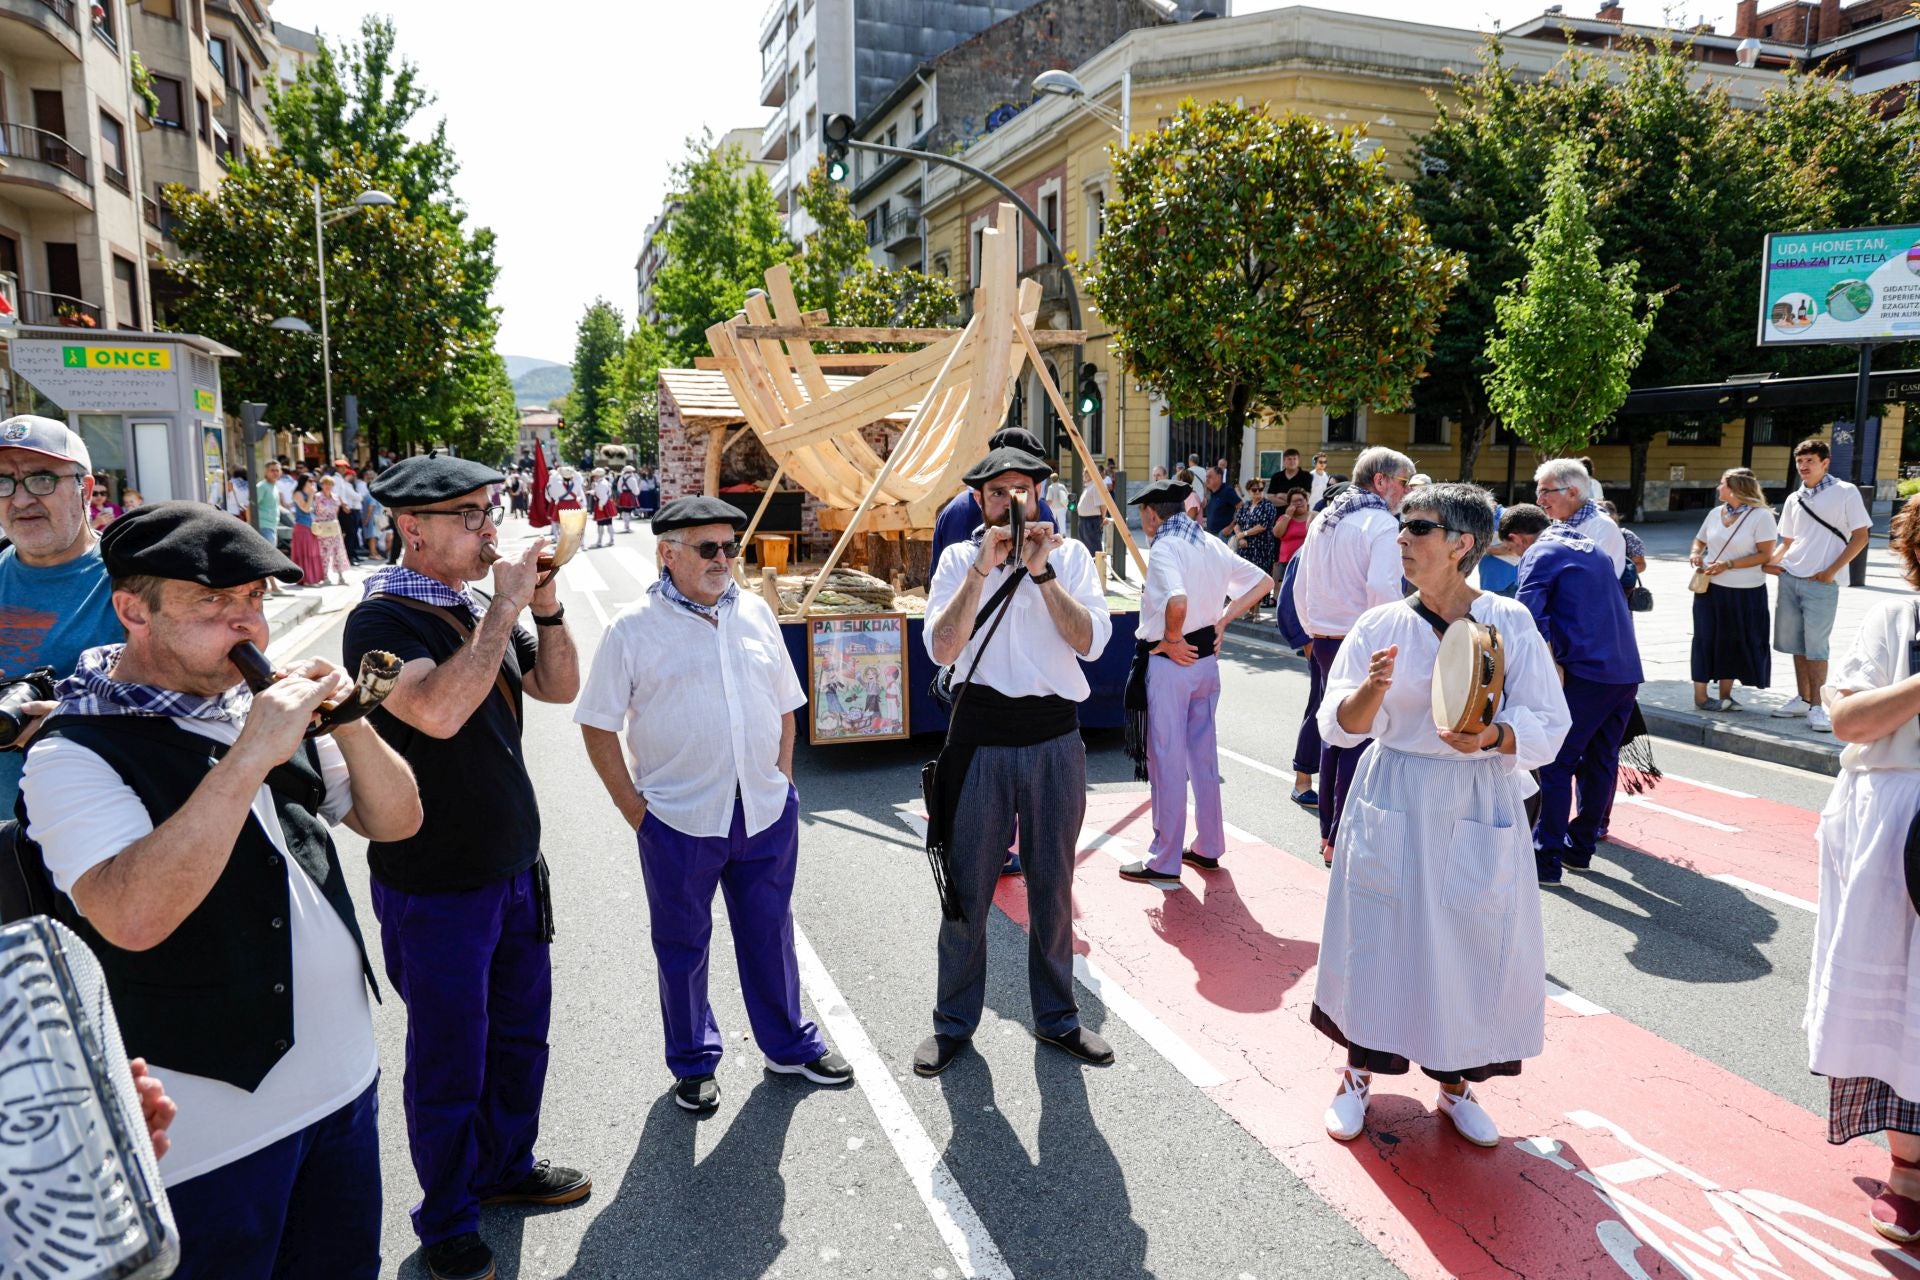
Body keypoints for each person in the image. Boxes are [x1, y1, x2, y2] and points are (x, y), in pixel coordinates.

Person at [19, 502, 423, 1279]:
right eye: (212, 602)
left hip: (342, 1089)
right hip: (207, 1137)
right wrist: (247, 758)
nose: (245, 625)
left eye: (253, 601)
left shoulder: (262, 708)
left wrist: (349, 720)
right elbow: (131, 916)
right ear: (134, 610)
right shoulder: (73, 752)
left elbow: (397, 821)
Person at [346, 455, 589, 1280]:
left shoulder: (476, 603)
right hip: (436, 882)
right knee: (451, 1058)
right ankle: (447, 1218)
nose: (492, 528)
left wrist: (544, 607)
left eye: (492, 510)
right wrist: (507, 608)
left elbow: (558, 687)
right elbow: (438, 714)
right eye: (471, 516)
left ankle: (505, 1168)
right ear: (413, 528)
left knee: (520, 1039)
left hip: (513, 866)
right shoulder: (378, 623)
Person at [576, 495, 854, 1114]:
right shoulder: (632, 629)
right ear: (667, 554)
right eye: (708, 548)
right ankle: (694, 1062)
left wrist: (782, 781)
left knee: (771, 933)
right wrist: (636, 813)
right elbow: (596, 725)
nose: (724, 559)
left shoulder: (754, 612)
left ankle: (788, 1044)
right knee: (681, 945)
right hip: (677, 818)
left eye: (732, 547)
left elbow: (786, 704)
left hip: (762, 811)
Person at [1313, 483, 1570, 1146]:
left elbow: (1549, 720)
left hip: (1478, 795)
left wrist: (1492, 737)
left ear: (1461, 545)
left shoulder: (1508, 621)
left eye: (1418, 528)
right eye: (1402, 525)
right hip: (1395, 789)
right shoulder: (1381, 624)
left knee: (1468, 945)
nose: (1402, 538)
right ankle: (1357, 1077)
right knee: (1377, 937)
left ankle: (1455, 1086)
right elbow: (1336, 727)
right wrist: (1370, 690)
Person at [917, 445, 1115, 1078]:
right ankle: (953, 1022)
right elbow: (941, 647)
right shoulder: (957, 559)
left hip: (1055, 737)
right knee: (968, 890)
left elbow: (1090, 643)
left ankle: (1058, 1019)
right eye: (997, 493)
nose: (1011, 504)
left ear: (1042, 495)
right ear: (979, 501)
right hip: (979, 737)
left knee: (1053, 887)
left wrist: (1043, 575)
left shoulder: (1073, 558)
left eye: (1022, 491)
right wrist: (982, 569)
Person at [1808, 492, 1920, 1245]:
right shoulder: (1894, 621)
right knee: (1896, 993)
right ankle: (1908, 1169)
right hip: (1892, 826)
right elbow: (1845, 719)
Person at [1119, 479, 1271, 885]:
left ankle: (1164, 858)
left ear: (1153, 514)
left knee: (1166, 760)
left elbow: (1178, 600)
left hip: (1174, 663)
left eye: (1144, 512)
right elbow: (1263, 582)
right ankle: (1208, 845)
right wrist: (1223, 620)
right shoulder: (1210, 543)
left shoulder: (1166, 546)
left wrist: (1169, 639)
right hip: (1205, 662)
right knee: (1202, 759)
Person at [1505, 503, 1644, 884]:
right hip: (1624, 669)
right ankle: (1579, 848)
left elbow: (1526, 617)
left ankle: (1545, 858)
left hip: (1584, 671)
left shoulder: (1540, 552)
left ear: (1519, 538)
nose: (1519, 555)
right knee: (1601, 759)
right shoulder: (1591, 548)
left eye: (1515, 548)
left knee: (1555, 762)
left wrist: (1546, 666)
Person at [1290, 446, 1415, 862]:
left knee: (1334, 734)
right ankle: (1343, 837)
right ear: (1380, 480)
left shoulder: (1326, 516)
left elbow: (1299, 582)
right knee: (1361, 738)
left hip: (1326, 638)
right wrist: (1391, 639)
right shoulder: (1380, 522)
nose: (1406, 490)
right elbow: (1383, 589)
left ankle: (1329, 833)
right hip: (1362, 639)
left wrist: (1312, 630)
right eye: (1402, 482)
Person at [0, 417, 121, 814]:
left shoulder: (135, 585)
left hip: (94, 833)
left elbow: (198, 706)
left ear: (84, 489)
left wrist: (78, 720)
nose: (19, 500)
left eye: (41, 479)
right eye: (3, 481)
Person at [1767, 438, 1872, 734]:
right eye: (1800, 461)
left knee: (1816, 647)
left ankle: (1818, 707)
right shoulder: (1794, 498)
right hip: (1790, 578)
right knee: (1795, 645)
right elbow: (1787, 541)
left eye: (1810, 461)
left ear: (1825, 463)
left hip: (1821, 583)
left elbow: (1861, 536)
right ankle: (1803, 698)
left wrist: (1831, 572)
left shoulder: (1845, 492)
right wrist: (1772, 563)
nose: (1803, 466)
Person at [1689, 468, 1777, 712]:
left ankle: (1725, 696)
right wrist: (1696, 553)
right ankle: (1701, 697)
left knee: (1733, 641)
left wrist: (1728, 564)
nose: (1718, 488)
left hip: (1745, 591)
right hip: (1710, 588)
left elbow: (1765, 554)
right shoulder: (1716, 513)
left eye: (1722, 484)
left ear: (1736, 488)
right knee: (1705, 638)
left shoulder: (1761, 517)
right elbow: (1700, 539)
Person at [1533, 457, 1626, 576]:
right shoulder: (1559, 524)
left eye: (1545, 492)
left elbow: (1597, 582)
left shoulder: (1603, 528)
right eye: (1538, 492)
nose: (1539, 501)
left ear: (1572, 493)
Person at [1230, 478, 1279, 590]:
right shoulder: (1245, 506)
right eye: (1254, 489)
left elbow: (1263, 525)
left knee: (1258, 582)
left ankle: (1255, 608)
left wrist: (1245, 534)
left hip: (1261, 548)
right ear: (1248, 490)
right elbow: (1237, 523)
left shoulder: (1268, 505)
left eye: (1260, 489)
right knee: (1244, 581)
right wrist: (1240, 537)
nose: (1258, 492)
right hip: (1244, 549)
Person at [313, 475, 351, 587]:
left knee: (338, 552)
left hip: (334, 527)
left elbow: (337, 512)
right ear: (322, 485)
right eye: (325, 483)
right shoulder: (317, 496)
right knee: (324, 553)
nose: (328, 486)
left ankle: (341, 577)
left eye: (330, 484)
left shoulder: (336, 497)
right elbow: (314, 511)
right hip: (322, 527)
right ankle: (324, 577)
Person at [287, 474, 324, 585]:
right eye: (310, 481)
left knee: (312, 553)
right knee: (305, 554)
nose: (312, 483)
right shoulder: (298, 493)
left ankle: (312, 578)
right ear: (303, 482)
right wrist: (312, 495)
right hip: (302, 527)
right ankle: (306, 579)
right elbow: (305, 508)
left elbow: (316, 510)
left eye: (313, 481)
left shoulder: (309, 494)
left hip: (311, 527)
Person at [1202, 467, 1239, 537]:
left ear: (1219, 477)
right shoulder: (1210, 492)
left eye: (1209, 477)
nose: (1206, 480)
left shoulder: (1227, 491)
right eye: (1206, 477)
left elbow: (1242, 509)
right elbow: (1204, 506)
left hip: (1223, 535)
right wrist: (1205, 492)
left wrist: (1230, 527)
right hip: (1211, 534)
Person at [589, 466, 616, 549]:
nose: (594, 477)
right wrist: (592, 492)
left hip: (602, 504)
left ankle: (600, 541)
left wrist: (600, 505)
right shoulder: (603, 482)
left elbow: (603, 496)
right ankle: (611, 540)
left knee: (601, 524)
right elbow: (602, 493)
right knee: (608, 523)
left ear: (598, 476)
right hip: (606, 503)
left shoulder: (601, 483)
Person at [616, 465, 642, 532]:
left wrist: (622, 492)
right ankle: (627, 526)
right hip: (630, 495)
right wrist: (637, 494)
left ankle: (626, 525)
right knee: (628, 511)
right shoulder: (632, 479)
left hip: (623, 495)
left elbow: (619, 488)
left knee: (625, 511)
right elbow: (635, 489)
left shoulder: (621, 478)